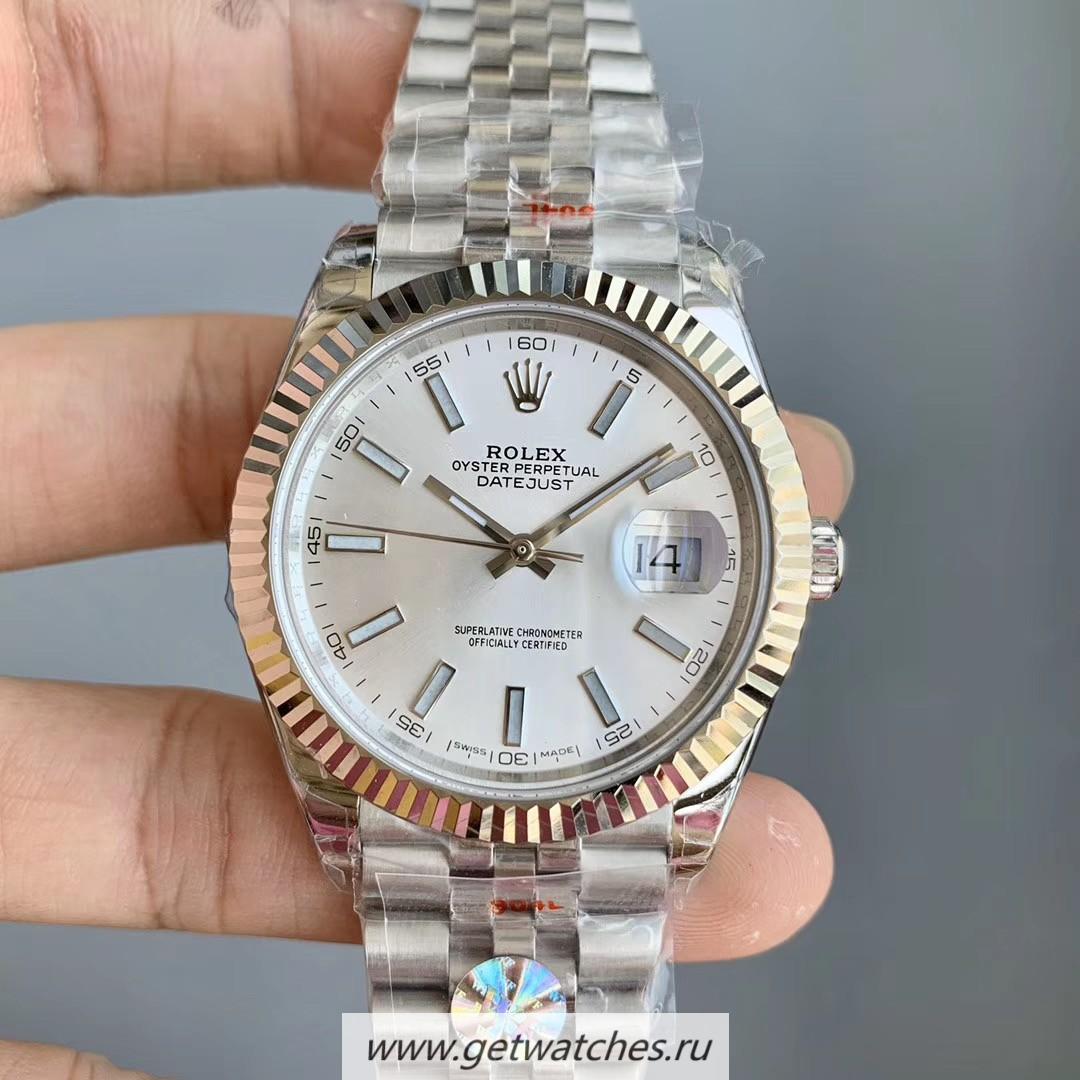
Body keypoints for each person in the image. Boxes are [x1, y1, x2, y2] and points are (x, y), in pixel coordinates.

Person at [0, 3, 855, 1077]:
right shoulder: (388, 298)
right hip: (420, 754)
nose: (525, 554)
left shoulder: (672, 312)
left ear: (800, 563)